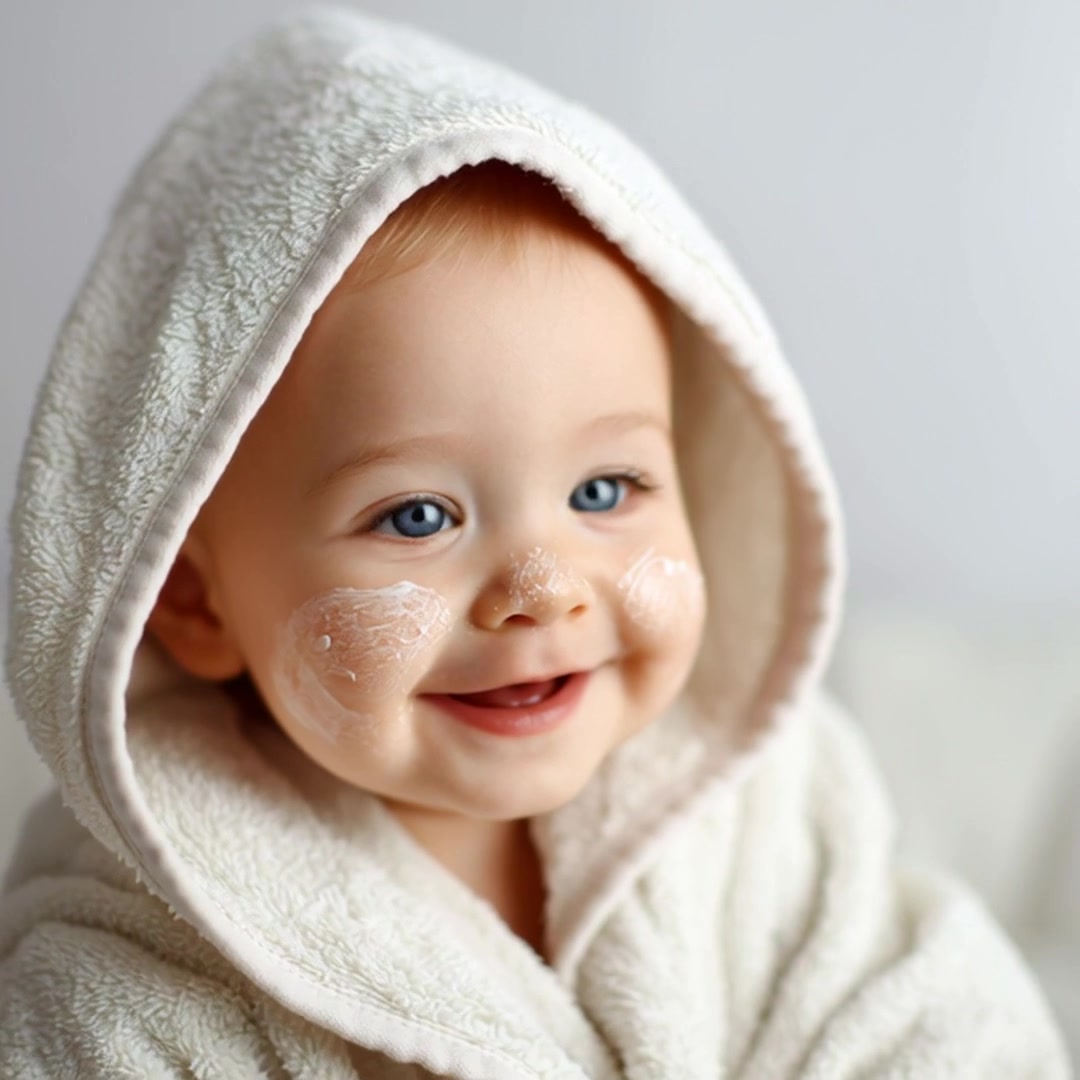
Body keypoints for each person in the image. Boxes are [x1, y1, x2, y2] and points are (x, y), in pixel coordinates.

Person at [0, 8, 1070, 1077]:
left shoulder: (761, 809)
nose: (542, 590)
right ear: (193, 596)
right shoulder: (125, 973)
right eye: (417, 517)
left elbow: (935, 1018)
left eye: (606, 489)